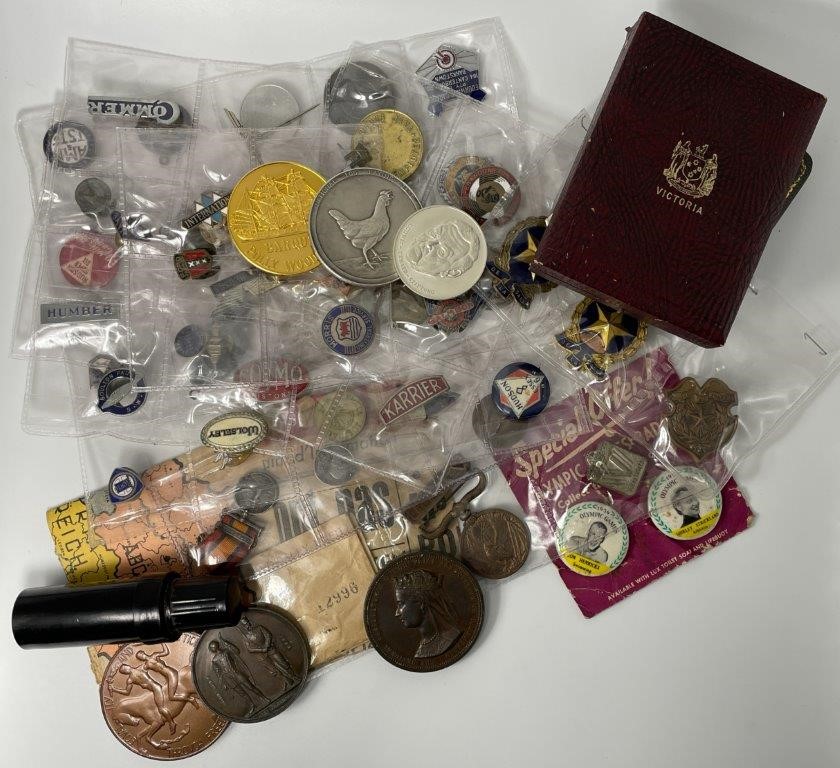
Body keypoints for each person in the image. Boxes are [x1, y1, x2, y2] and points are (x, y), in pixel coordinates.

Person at [394, 569, 462, 658]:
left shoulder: (449, 639)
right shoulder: (424, 645)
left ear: (421, 604)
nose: (397, 613)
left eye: (401, 604)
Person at [208, 636, 267, 716]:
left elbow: (236, 651)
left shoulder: (226, 652)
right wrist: (224, 683)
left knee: (250, 687)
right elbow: (219, 673)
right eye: (212, 648)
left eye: (214, 646)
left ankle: (263, 698)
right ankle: (252, 705)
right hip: (229, 678)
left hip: (237, 673)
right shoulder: (214, 660)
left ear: (217, 645)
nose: (213, 648)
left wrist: (227, 643)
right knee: (242, 693)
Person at [239, 615, 299, 689]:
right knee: (274, 670)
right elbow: (249, 649)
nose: (247, 625)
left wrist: (266, 646)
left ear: (249, 622)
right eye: (244, 624)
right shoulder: (246, 637)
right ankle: (287, 681)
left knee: (283, 663)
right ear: (243, 627)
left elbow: (268, 635)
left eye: (247, 623)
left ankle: (294, 676)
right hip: (261, 656)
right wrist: (262, 650)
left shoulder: (259, 628)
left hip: (271, 649)